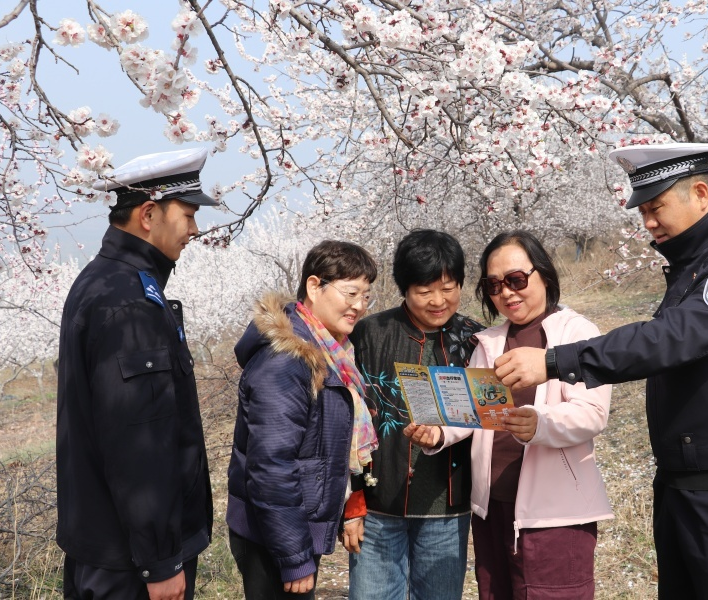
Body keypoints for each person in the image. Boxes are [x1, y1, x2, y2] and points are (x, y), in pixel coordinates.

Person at [494, 143, 708, 600]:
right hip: (686, 478)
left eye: (657, 207)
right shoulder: (692, 268)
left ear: (700, 193)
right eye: (643, 211)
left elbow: (669, 339)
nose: (649, 222)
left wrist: (556, 361)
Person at [406, 230, 613, 600]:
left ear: (544, 275)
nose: (507, 293)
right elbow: (472, 410)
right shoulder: (489, 342)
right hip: (492, 509)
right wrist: (438, 434)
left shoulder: (577, 333)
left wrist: (540, 424)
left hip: (554, 516)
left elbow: (592, 414)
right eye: (494, 285)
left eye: (517, 280)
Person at [56, 147, 217, 599]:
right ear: (149, 214)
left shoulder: (105, 280)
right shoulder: (128, 303)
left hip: (111, 547)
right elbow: (139, 441)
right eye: (187, 215)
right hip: (132, 563)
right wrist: (161, 561)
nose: (194, 229)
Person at [226, 240, 379, 599]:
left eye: (366, 296)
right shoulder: (288, 361)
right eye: (351, 293)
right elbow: (271, 466)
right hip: (272, 534)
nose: (359, 305)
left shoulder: (330, 351)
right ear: (314, 286)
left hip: (289, 525)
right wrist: (294, 556)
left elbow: (324, 447)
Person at [342, 230, 483, 600]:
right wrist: (352, 500)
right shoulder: (368, 334)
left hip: (447, 508)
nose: (438, 301)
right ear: (405, 289)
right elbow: (347, 420)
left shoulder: (475, 341)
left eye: (448, 288)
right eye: (425, 291)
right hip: (379, 505)